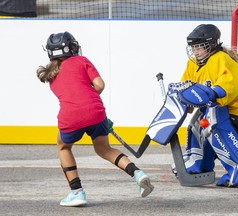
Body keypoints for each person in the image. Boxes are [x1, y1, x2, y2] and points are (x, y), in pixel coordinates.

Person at [36, 31, 154, 206]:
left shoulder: (50, 76)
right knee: (104, 149)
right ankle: (137, 174)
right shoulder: (82, 60)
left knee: (63, 147)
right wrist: (93, 107)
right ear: (71, 48)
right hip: (97, 112)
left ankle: (77, 192)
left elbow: (72, 96)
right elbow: (99, 85)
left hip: (70, 117)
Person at [172, 24, 238, 187]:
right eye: (193, 47)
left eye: (200, 47)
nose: (196, 51)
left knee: (216, 131)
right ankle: (200, 167)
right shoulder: (193, 63)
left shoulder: (222, 59)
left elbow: (229, 88)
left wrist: (212, 93)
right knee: (198, 129)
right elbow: (186, 86)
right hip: (219, 108)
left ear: (212, 44)